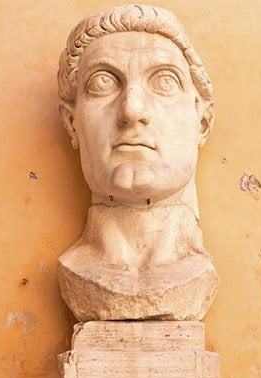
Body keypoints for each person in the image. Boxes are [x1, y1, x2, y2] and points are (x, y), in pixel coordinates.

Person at [55, 5, 219, 322]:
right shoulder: (77, 268)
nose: (131, 110)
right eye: (103, 83)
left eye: (164, 82)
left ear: (202, 121)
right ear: (72, 122)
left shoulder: (195, 272)